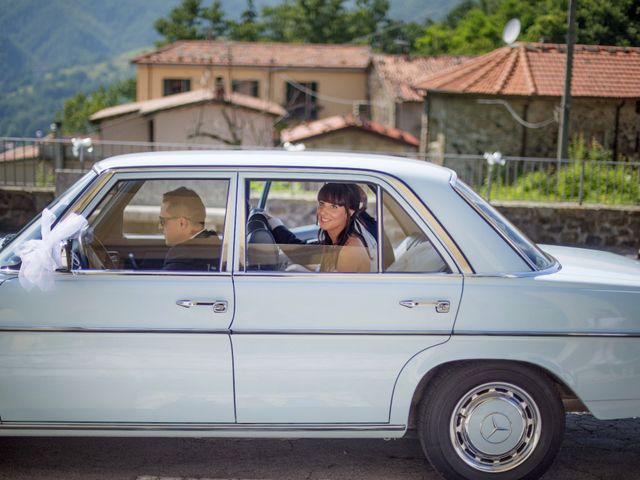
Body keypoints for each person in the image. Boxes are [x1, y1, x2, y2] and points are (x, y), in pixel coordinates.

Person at [267, 183, 376, 273]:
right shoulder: (337, 240)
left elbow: (339, 296)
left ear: (350, 212)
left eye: (334, 207)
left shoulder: (349, 250)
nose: (323, 212)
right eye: (321, 204)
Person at [159, 187, 221, 271]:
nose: (160, 226)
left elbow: (161, 283)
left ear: (182, 223)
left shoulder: (181, 256)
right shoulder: (215, 245)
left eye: (162, 221)